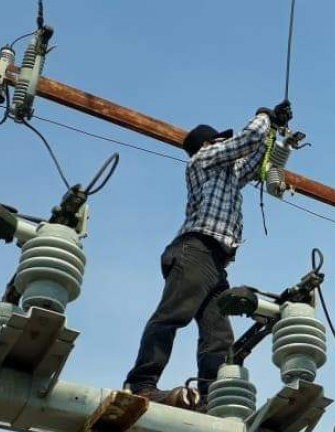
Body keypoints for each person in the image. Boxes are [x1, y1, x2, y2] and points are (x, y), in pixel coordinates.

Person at [123, 101, 293, 407]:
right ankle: (141, 383)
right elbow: (247, 141)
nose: (226, 143)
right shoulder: (203, 160)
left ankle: (209, 395)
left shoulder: (226, 174)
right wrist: (264, 116)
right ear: (211, 144)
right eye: (222, 140)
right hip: (196, 250)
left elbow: (254, 161)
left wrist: (275, 133)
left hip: (213, 260)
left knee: (218, 335)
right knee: (173, 314)